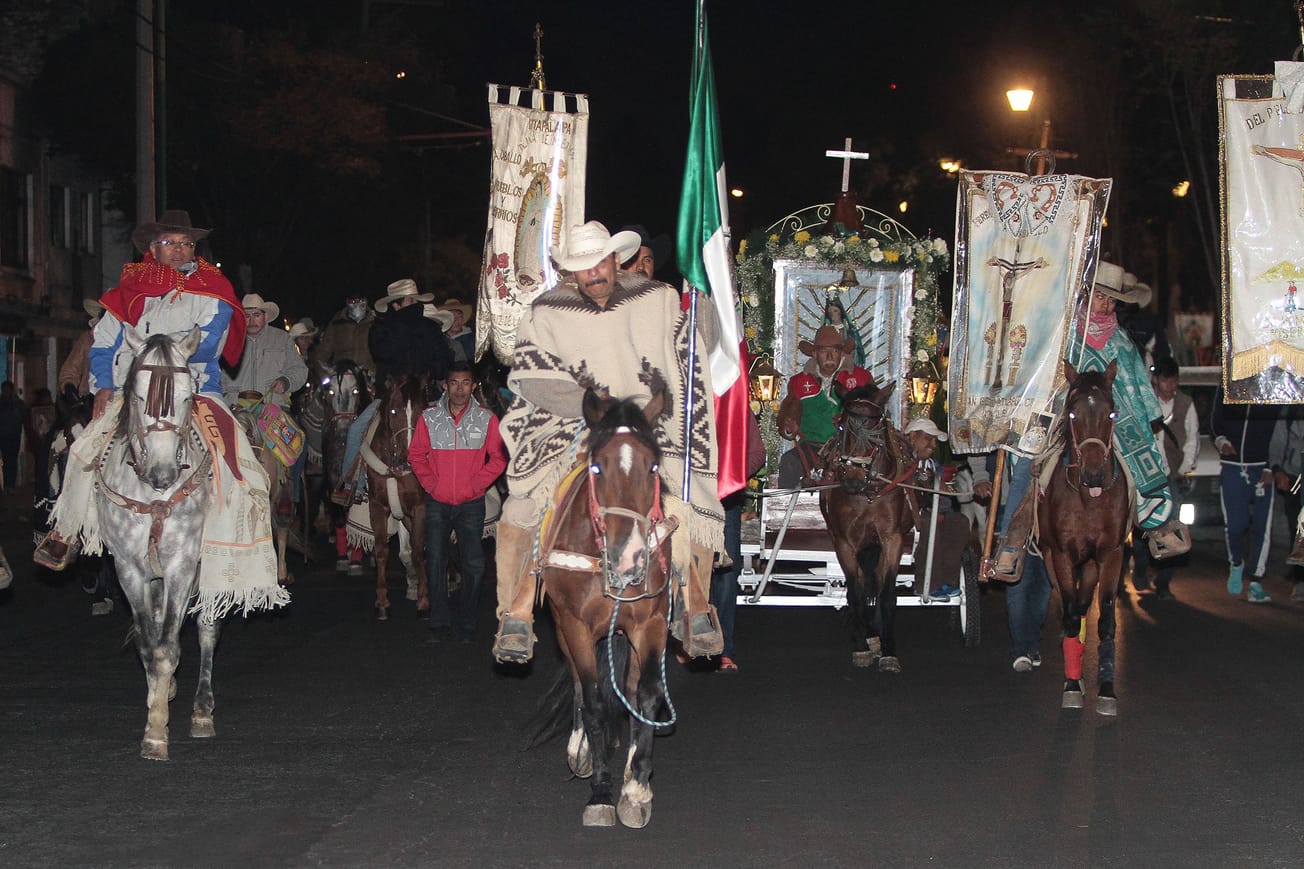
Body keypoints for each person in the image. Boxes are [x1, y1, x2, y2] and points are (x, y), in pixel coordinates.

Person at [492, 221, 726, 663]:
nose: (593, 273)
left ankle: (695, 608)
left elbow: (692, 348)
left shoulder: (657, 299)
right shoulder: (545, 312)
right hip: (576, 428)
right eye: (581, 267)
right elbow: (531, 377)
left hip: (648, 428)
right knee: (524, 504)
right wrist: (586, 402)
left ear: (615, 259)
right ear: (570, 272)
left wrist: (705, 300)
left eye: (599, 262)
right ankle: (515, 612)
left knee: (689, 501)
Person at [33, 210, 282, 620]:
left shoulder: (213, 290)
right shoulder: (127, 291)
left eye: (186, 243)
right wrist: (106, 386)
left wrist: (159, 356)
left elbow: (209, 342)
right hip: (133, 391)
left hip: (194, 389)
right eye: (170, 242)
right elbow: (104, 344)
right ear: (153, 248)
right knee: (83, 448)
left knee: (244, 461)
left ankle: (248, 540)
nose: (179, 249)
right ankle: (66, 531)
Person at [993, 261, 1190, 579]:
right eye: (1100, 297)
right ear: (1086, 295)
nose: (1106, 304)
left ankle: (1158, 525)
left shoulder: (1122, 344)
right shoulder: (1062, 335)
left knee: (1146, 456)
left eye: (1112, 300)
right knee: (1025, 464)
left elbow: (1135, 388)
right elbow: (1041, 377)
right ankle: (1011, 543)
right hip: (1061, 416)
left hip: (1109, 421)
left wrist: (1135, 418)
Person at [408, 362, 507, 643]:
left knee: (474, 564)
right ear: (445, 386)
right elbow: (416, 455)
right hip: (438, 501)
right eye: (454, 383)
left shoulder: (487, 418)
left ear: (474, 385)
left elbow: (499, 457)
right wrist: (431, 484)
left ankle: (467, 622)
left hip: (471, 502)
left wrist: (477, 484)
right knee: (436, 561)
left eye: (465, 383)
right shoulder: (428, 417)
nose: (460, 389)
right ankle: (439, 624)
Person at [336, 279, 451, 502]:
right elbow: (382, 354)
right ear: (396, 305)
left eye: (415, 301)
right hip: (390, 397)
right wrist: (403, 325)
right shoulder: (381, 329)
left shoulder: (427, 327)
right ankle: (353, 486)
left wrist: (429, 373)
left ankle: (454, 487)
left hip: (425, 395)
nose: (414, 305)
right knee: (357, 430)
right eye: (410, 301)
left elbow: (443, 361)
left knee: (453, 434)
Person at [774, 325, 876, 489]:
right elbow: (787, 420)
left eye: (835, 351)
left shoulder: (861, 379)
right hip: (812, 448)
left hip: (850, 450)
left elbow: (875, 415)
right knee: (789, 462)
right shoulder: (799, 383)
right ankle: (786, 511)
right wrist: (789, 428)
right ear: (815, 354)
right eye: (823, 351)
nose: (829, 356)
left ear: (842, 353)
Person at [1132, 356, 1197, 599]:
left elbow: (1192, 439)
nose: (1170, 385)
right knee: (1143, 525)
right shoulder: (1143, 402)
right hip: (1146, 476)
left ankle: (1164, 582)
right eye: (1165, 380)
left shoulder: (1185, 404)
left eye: (1173, 380)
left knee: (1172, 530)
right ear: (1156, 379)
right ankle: (1140, 565)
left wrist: (1184, 468)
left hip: (1172, 476)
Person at [710, 405, 766, 672]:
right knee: (686, 573)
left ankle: (723, 648)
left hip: (725, 502)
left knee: (725, 574)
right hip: (687, 501)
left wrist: (731, 476)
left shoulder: (737, 408)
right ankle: (685, 641)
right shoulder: (687, 401)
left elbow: (757, 453)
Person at [1213, 386, 1278, 602]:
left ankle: (1256, 581)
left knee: (1262, 526)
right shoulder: (1228, 384)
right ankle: (1236, 563)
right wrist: (1221, 441)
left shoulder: (1271, 388)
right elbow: (1216, 421)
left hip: (1262, 468)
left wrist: (1271, 467)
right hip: (1232, 466)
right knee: (1235, 525)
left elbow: (1277, 431)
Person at [222, 293, 308, 408]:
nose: (252, 321)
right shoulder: (227, 340)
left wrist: (286, 382)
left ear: (265, 316)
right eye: (247, 316)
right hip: (234, 408)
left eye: (256, 315)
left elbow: (299, 369)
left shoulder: (282, 339)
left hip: (273, 409)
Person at [1270, 411, 1304, 602]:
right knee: (1299, 530)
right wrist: (1277, 470)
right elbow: (1277, 443)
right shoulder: (1290, 412)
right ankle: (1300, 582)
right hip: (1295, 476)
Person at [316, 292, 376, 380]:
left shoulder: (375, 323)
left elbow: (384, 353)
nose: (357, 304)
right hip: (341, 376)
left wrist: (376, 373)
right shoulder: (336, 323)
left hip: (368, 375)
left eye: (360, 300)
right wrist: (325, 375)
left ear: (366, 301)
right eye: (353, 301)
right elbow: (323, 352)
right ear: (347, 302)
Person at [822, 296, 866, 368]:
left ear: (841, 312)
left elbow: (858, 348)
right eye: (830, 312)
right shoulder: (825, 331)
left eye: (835, 311)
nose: (832, 314)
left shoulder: (851, 331)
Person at [0, 380, 27, 491]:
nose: (6, 392)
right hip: (3, 435)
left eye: (8, 389)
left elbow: (25, 414)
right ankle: (5, 485)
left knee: (12, 460)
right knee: (4, 461)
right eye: (4, 390)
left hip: (14, 435)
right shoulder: (1, 403)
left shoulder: (18, 403)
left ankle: (10, 485)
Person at [438, 298, 475, 362]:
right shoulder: (439, 339)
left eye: (459, 316)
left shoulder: (473, 339)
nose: (456, 320)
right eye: (452, 317)